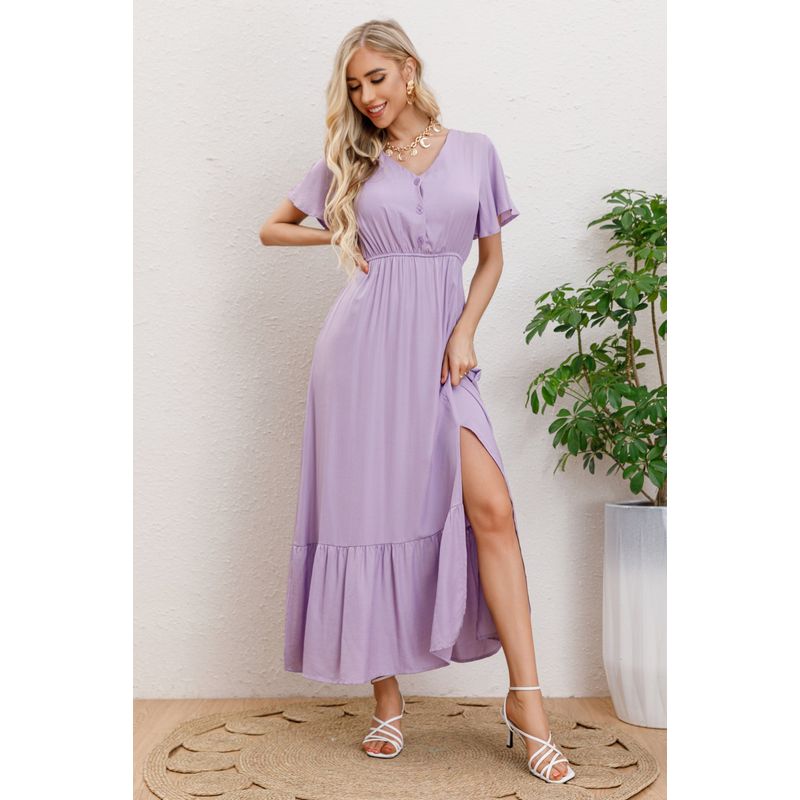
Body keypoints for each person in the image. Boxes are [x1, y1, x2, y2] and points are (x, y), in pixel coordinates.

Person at [259, 18, 574, 784]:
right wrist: (338, 232)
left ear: (408, 69)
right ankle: (387, 703)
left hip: (440, 357)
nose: (367, 96)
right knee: (368, 517)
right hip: (360, 360)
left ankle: (527, 703)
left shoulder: (475, 151)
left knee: (491, 509)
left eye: (376, 78)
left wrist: (465, 333)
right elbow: (272, 229)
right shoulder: (351, 160)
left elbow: (491, 259)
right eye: (354, 85)